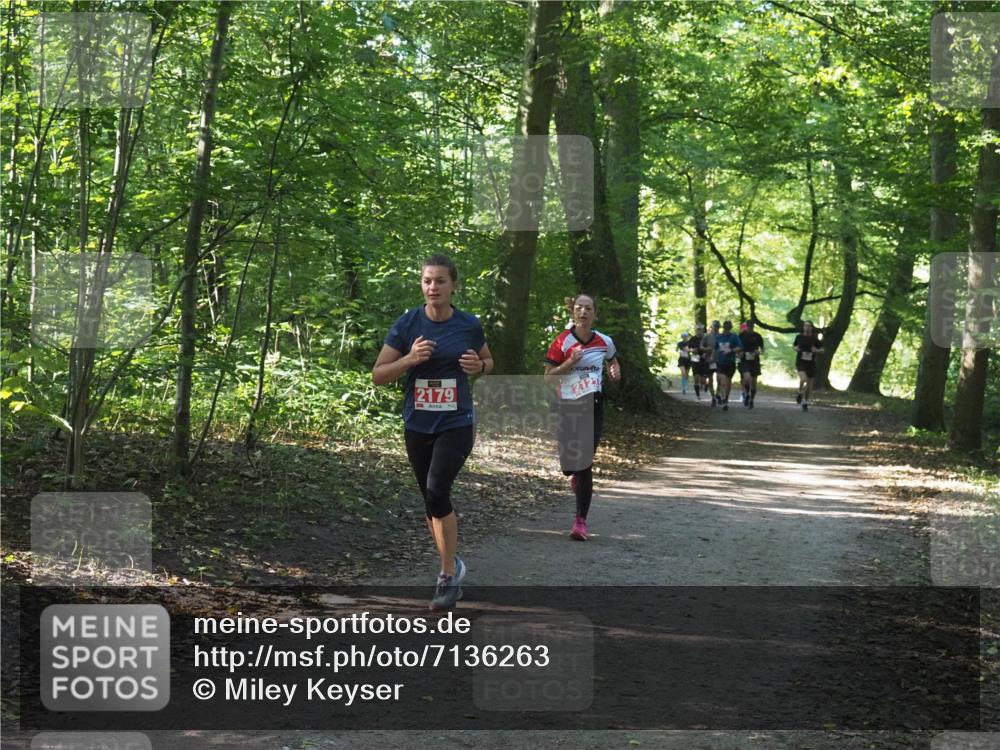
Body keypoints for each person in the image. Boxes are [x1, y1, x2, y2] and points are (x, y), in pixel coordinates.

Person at [372, 254, 493, 610]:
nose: (433, 287)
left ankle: (445, 576)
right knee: (430, 499)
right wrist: (409, 359)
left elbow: (488, 361)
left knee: (437, 490)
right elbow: (378, 375)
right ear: (421, 285)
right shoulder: (407, 323)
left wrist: (479, 366)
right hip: (418, 422)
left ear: (453, 286)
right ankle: (452, 563)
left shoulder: (469, 325)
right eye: (427, 281)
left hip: (456, 421)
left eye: (440, 281)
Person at [544, 293, 621, 541]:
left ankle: (580, 521)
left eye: (588, 308)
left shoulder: (604, 342)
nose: (583, 312)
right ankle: (574, 474)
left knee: (585, 461)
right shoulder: (562, 343)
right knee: (569, 465)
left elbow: (612, 360)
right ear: (573, 313)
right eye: (579, 308)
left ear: (594, 314)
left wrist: (614, 370)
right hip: (567, 405)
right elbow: (548, 377)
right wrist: (569, 363)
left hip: (593, 406)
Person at [792, 320, 824, 412]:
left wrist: (816, 351)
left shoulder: (815, 339)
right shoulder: (799, 337)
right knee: (803, 379)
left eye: (809, 326)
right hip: (801, 362)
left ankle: (805, 402)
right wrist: (796, 349)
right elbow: (794, 346)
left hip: (811, 363)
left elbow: (822, 349)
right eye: (806, 326)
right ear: (803, 327)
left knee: (809, 386)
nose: (807, 327)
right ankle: (799, 392)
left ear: (812, 328)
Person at [712, 320, 742, 411]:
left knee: (728, 381)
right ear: (723, 328)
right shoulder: (719, 337)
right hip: (720, 362)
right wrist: (712, 358)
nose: (727, 329)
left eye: (728, 328)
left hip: (730, 362)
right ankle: (721, 395)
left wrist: (731, 350)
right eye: (725, 328)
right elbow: (715, 348)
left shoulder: (734, 337)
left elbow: (740, 347)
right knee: (722, 380)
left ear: (731, 328)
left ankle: (725, 400)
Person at [738, 321, 765, 409]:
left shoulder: (757, 336)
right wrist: (739, 353)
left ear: (753, 326)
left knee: (753, 381)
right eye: (748, 326)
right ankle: (746, 394)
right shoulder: (741, 336)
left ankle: (751, 399)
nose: (750, 327)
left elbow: (762, 348)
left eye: (751, 326)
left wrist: (759, 352)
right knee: (746, 378)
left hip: (754, 361)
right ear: (746, 326)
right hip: (744, 360)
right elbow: (737, 346)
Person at [700, 320, 720, 406]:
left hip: (720, 361)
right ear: (712, 327)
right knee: (710, 380)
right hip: (709, 361)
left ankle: (717, 394)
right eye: (714, 326)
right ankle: (713, 397)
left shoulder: (722, 336)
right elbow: (701, 346)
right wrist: (706, 349)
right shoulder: (707, 336)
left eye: (717, 326)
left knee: (719, 380)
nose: (716, 328)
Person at [686, 324, 707, 400]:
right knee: (696, 378)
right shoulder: (692, 339)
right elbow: (687, 348)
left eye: (701, 329)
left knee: (703, 380)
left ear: (703, 330)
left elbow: (711, 348)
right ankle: (698, 396)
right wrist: (692, 350)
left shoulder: (705, 338)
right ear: (696, 330)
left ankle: (705, 384)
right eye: (698, 330)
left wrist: (706, 352)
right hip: (695, 360)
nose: (699, 331)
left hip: (704, 360)